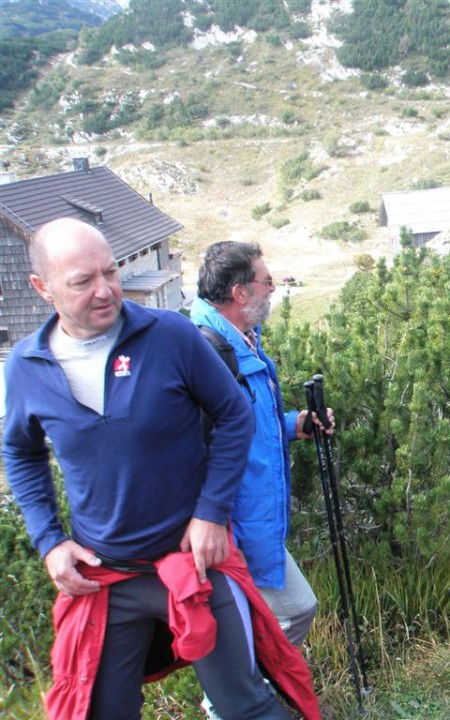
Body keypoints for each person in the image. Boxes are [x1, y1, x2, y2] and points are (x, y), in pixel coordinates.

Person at [3, 218, 314, 719]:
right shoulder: (26, 366)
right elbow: (20, 451)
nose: (105, 291)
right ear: (43, 288)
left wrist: (211, 513)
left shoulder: (168, 334)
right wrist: (49, 541)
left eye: (110, 272)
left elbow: (234, 413)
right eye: (83, 281)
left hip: (195, 565)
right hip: (105, 578)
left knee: (247, 708)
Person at [192, 241, 322, 648]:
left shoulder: (242, 341)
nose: (272, 289)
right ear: (240, 293)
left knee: (261, 620)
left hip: (252, 517)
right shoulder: (208, 353)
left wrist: (293, 424)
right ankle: (236, 703)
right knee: (289, 612)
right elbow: (201, 448)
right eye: (267, 282)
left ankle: (246, 698)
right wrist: (218, 525)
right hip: (235, 525)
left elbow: (242, 425)